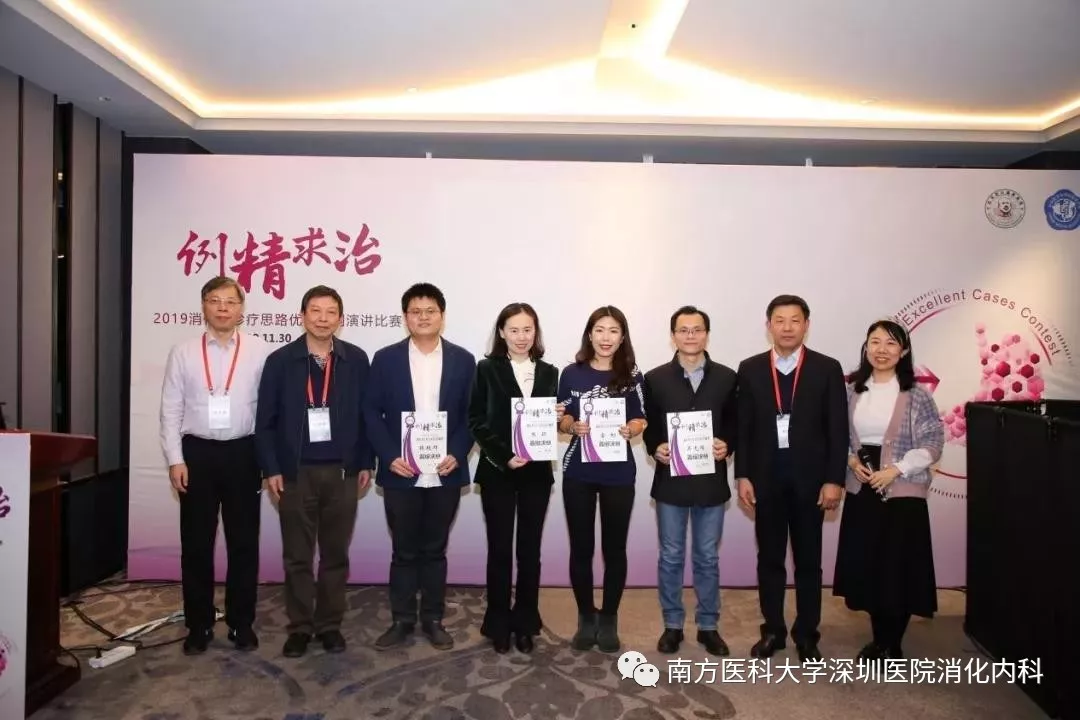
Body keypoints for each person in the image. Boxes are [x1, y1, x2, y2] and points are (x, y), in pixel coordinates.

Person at [255, 285, 373, 658]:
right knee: (298, 556)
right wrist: (271, 468)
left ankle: (329, 625)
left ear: (341, 318)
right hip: (295, 473)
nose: (323, 319)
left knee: (336, 554)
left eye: (331, 312)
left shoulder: (356, 359)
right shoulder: (281, 361)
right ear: (302, 316)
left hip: (342, 472)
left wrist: (366, 461)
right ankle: (300, 627)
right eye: (315, 311)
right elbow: (265, 422)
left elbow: (368, 416)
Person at [159, 276, 269, 655]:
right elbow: (170, 409)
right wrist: (175, 459)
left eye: (230, 302)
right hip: (197, 456)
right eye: (215, 300)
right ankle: (199, 624)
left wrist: (266, 459)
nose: (223, 308)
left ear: (242, 309)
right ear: (203, 306)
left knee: (244, 543)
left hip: (243, 454)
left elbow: (269, 410)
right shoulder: (184, 352)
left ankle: (241, 623)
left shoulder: (260, 351)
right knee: (196, 544)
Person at [734, 294, 847, 661]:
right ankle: (773, 630)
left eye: (795, 320)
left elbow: (838, 429)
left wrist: (834, 479)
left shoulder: (826, 368)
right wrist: (743, 475)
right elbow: (744, 428)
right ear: (768, 325)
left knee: (808, 562)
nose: (787, 328)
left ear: (806, 325)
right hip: (765, 480)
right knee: (769, 559)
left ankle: (807, 633)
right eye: (779, 321)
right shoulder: (750, 368)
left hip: (811, 483)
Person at [365, 283, 477, 651]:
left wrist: (457, 452)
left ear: (442, 316)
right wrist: (388, 455)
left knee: (434, 549)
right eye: (416, 311)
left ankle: (432, 618)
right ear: (405, 317)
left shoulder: (463, 360)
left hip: (445, 471)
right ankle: (401, 620)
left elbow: (471, 414)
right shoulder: (385, 359)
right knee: (403, 551)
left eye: (430, 311)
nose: (423, 317)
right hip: (402, 471)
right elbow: (371, 412)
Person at [833, 320, 944, 660]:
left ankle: (891, 642)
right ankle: (879, 636)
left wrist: (896, 470)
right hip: (863, 488)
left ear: (904, 351)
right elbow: (835, 435)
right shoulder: (851, 391)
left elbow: (933, 443)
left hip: (902, 491)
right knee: (869, 566)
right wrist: (851, 461)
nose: (882, 350)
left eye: (891, 343)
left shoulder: (916, 395)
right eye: (875, 342)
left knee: (898, 568)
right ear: (866, 347)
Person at [643, 306, 738, 657]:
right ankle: (672, 624)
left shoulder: (727, 377)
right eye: (683, 330)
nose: (690, 336)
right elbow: (649, 424)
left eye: (697, 329)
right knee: (670, 556)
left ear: (706, 335)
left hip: (711, 482)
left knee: (707, 558)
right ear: (673, 336)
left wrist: (728, 444)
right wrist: (655, 446)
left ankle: (708, 626)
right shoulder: (655, 378)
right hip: (671, 482)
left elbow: (736, 422)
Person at [468, 303, 562, 654]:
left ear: (536, 332)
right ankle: (498, 623)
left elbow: (547, 423)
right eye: (514, 330)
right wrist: (504, 455)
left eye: (528, 330)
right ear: (502, 332)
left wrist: (557, 416)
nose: (521, 337)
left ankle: (525, 622)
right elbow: (476, 419)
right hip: (498, 471)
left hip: (537, 472)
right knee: (500, 550)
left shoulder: (550, 372)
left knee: (529, 551)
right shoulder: (486, 369)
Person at [557, 306, 647, 653]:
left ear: (622, 337)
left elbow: (641, 418)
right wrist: (571, 426)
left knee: (614, 548)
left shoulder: (632, 375)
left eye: (613, 331)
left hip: (618, 473)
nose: (606, 338)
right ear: (589, 334)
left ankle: (609, 617)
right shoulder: (571, 373)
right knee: (581, 548)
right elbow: (562, 417)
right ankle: (585, 616)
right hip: (578, 471)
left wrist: (632, 428)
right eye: (599, 330)